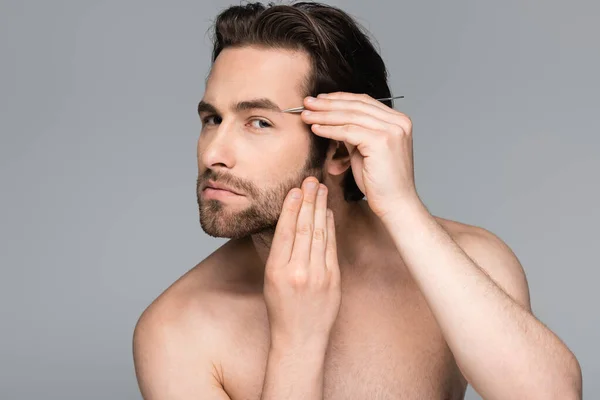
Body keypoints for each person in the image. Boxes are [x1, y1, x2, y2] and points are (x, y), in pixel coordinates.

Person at [132, 2, 582, 399]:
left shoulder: (474, 262)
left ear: (340, 150)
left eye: (258, 122)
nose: (212, 153)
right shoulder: (176, 330)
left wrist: (403, 207)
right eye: (212, 118)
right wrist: (297, 343)